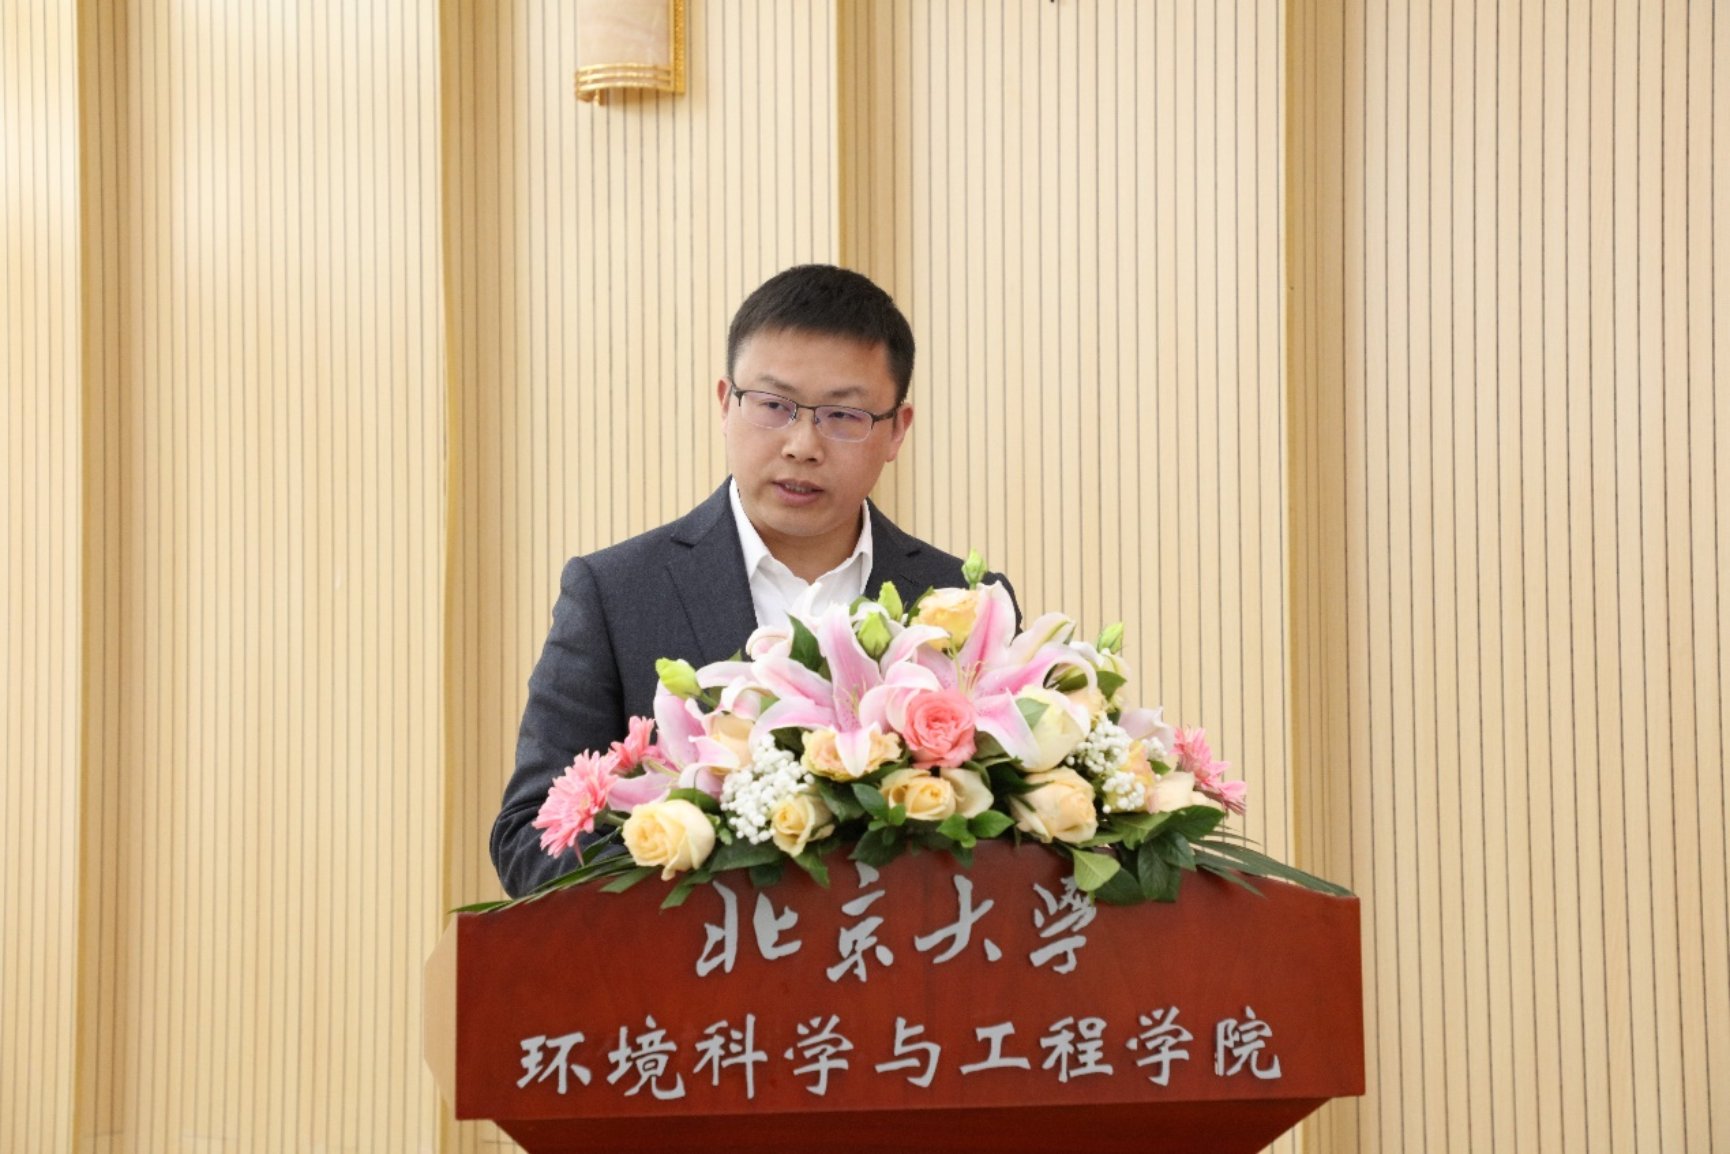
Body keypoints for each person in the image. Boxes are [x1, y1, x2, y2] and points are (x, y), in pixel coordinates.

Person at [491, 264, 1018, 897]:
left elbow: (1022, 836)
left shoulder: (964, 604)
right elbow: (530, 840)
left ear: (896, 430)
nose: (803, 445)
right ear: (726, 403)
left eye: (843, 416)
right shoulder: (615, 594)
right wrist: (692, 847)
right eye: (773, 406)